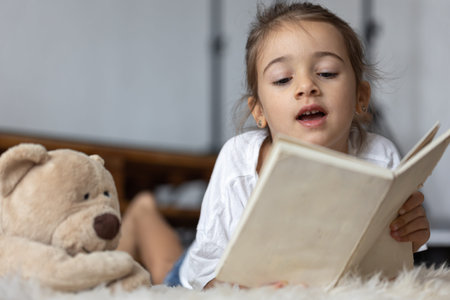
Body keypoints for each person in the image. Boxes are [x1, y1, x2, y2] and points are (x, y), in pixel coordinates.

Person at [118, 1, 430, 289]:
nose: (307, 86)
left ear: (361, 97)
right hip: (207, 270)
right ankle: (143, 214)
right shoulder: (240, 161)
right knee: (166, 265)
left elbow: (387, 263)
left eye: (326, 73)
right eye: (283, 79)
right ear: (259, 112)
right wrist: (233, 289)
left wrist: (410, 236)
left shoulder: (380, 156)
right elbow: (205, 270)